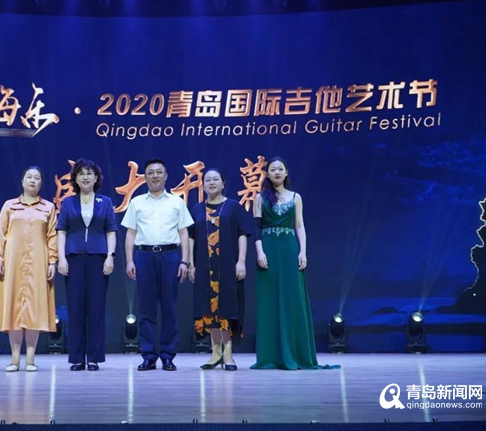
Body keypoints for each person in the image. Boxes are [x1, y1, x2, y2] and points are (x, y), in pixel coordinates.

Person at [250, 157, 337, 370]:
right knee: (269, 301)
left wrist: (302, 252)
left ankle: (296, 353)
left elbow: (299, 226)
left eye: (280, 169)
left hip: (289, 249)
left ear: (286, 172)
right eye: (273, 169)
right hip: (268, 249)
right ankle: (271, 356)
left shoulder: (296, 197)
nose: (277, 172)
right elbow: (257, 227)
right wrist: (260, 251)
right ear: (267, 174)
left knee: (292, 299)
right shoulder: (260, 197)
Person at [122, 158, 193, 372]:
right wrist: (129, 260)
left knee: (169, 307)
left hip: (170, 256)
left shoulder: (176, 202)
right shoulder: (137, 202)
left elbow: (184, 233)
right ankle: (149, 355)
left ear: (166, 176)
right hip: (144, 256)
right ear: (145, 177)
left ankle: (168, 355)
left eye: (159, 172)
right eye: (151, 172)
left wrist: (185, 261)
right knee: (146, 309)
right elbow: (130, 233)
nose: (155, 176)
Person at [0, 166, 58, 372]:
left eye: (37, 178)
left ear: (41, 183)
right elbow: (0, 233)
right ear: (22, 181)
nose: (32, 180)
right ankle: (15, 358)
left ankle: (31, 359)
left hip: (38, 261)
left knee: (35, 309)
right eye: (29, 177)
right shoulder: (10, 206)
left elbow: (52, 236)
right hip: (12, 261)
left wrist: (52, 261)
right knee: (13, 308)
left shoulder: (48, 207)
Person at [56, 158, 118, 371]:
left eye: (89, 173)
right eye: (81, 173)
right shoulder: (68, 203)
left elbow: (111, 231)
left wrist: (110, 256)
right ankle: (77, 358)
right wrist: (62, 258)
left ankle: (93, 358)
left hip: (98, 259)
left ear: (96, 178)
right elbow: (61, 231)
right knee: (75, 309)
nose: (85, 177)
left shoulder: (105, 202)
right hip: (73, 258)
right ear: (75, 178)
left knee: (96, 309)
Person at [188, 169, 251, 371]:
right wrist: (190, 264)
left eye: (216, 179)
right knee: (208, 309)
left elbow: (242, 234)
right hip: (204, 267)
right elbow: (190, 238)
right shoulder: (197, 209)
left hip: (227, 266)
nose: (212, 182)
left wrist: (241, 261)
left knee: (227, 308)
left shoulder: (233, 207)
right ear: (203, 184)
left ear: (223, 183)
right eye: (207, 179)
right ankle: (215, 353)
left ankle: (228, 354)